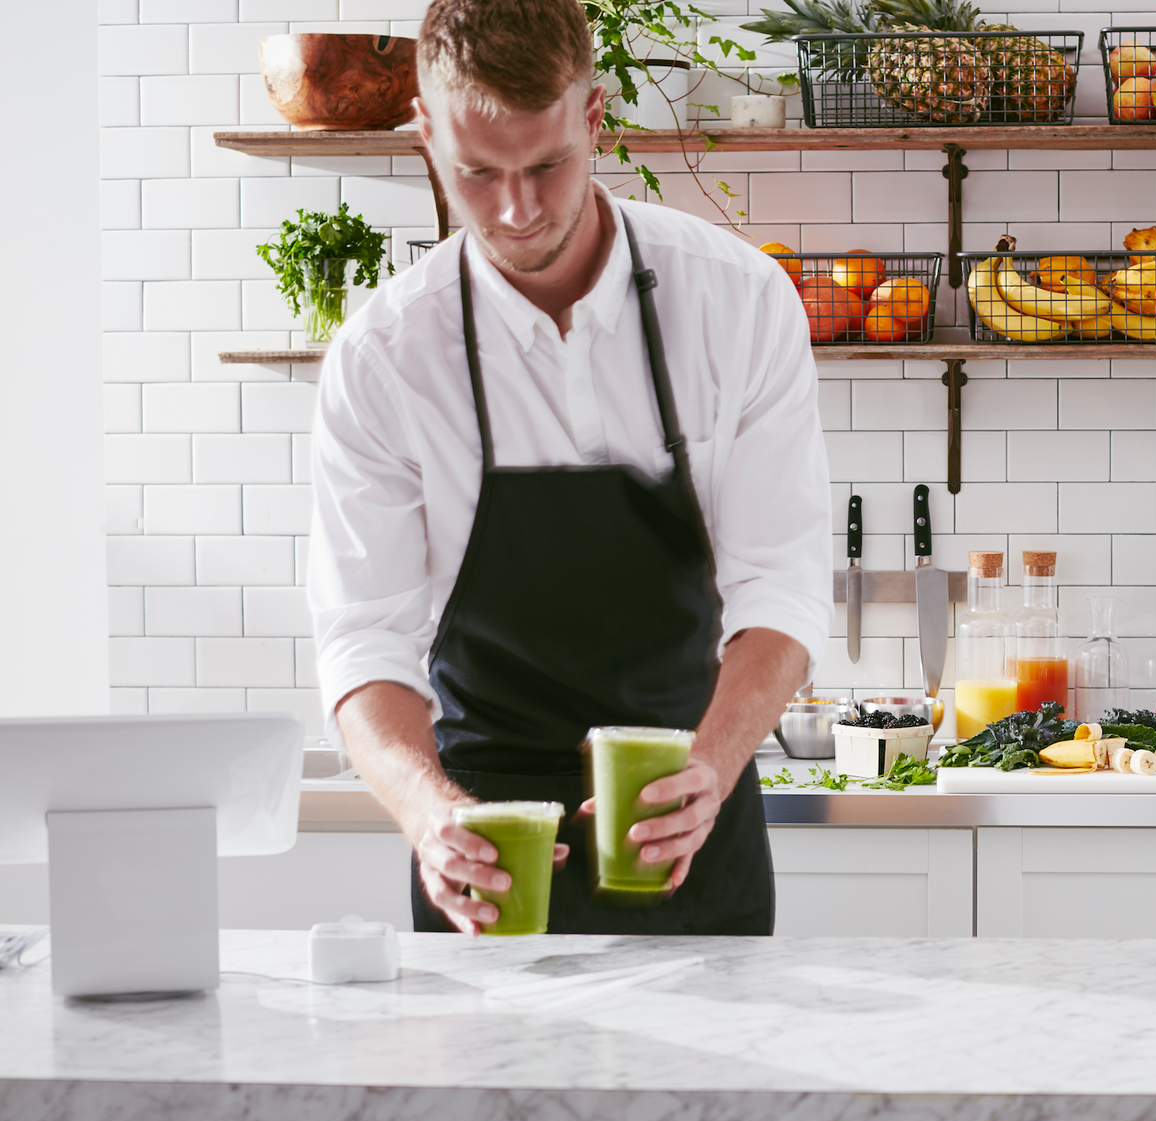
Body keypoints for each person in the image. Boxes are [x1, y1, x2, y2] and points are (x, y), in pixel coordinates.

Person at [307, 0, 830, 936]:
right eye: (476, 172)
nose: (517, 209)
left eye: (546, 165)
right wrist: (430, 815)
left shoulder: (738, 302)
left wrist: (709, 770)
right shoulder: (384, 355)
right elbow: (364, 641)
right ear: (424, 134)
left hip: (691, 819)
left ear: (593, 118)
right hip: (486, 851)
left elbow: (781, 591)